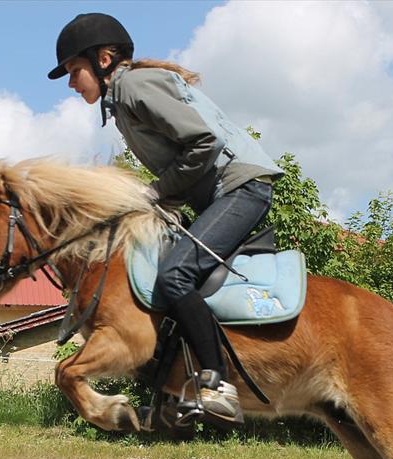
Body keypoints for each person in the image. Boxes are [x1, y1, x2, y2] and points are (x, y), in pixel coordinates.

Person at [49, 12, 283, 425]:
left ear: (103, 60)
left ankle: (218, 386)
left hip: (241, 187)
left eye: (73, 70)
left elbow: (203, 143)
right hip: (220, 193)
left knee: (175, 274)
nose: (71, 82)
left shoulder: (135, 87)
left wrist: (152, 193)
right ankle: (176, 391)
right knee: (161, 271)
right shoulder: (122, 99)